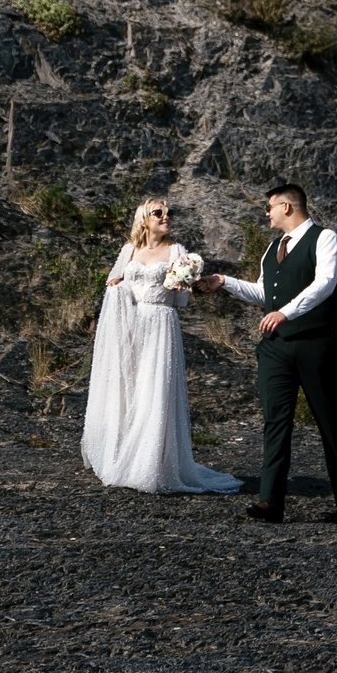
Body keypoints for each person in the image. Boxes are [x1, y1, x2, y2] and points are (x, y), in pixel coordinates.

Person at [199, 182, 337, 525]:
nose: (266, 214)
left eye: (269, 207)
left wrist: (285, 312)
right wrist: (224, 282)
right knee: (275, 422)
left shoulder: (325, 238)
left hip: (315, 344)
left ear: (286, 207)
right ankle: (270, 502)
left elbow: (325, 283)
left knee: (330, 421)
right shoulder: (273, 247)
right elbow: (264, 294)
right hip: (275, 348)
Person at [80, 197, 242, 495]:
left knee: (154, 388)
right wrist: (118, 289)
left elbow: (181, 297)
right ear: (144, 219)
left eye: (169, 213)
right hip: (130, 325)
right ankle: (123, 455)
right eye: (159, 213)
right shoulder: (129, 250)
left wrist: (188, 282)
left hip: (160, 323)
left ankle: (150, 464)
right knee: (130, 386)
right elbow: (114, 282)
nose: (166, 217)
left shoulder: (177, 251)